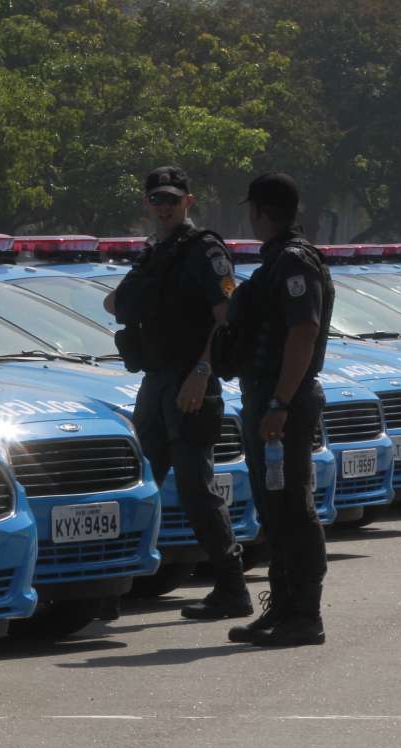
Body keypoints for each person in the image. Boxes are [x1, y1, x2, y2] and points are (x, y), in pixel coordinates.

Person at [105, 166, 252, 621]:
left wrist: (203, 371)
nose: (164, 207)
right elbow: (114, 304)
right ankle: (113, 583)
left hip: (192, 380)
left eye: (172, 199)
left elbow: (226, 313)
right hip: (155, 382)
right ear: (147, 204)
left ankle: (232, 586)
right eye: (156, 200)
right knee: (140, 483)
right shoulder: (155, 252)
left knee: (194, 487)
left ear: (189, 201)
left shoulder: (204, 249)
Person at [225, 172, 333, 647]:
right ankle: (284, 605)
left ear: (261, 212)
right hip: (268, 400)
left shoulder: (293, 262)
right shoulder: (278, 260)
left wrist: (280, 403)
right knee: (275, 507)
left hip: (281, 405)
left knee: (293, 507)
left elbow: (303, 332)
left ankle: (305, 615)